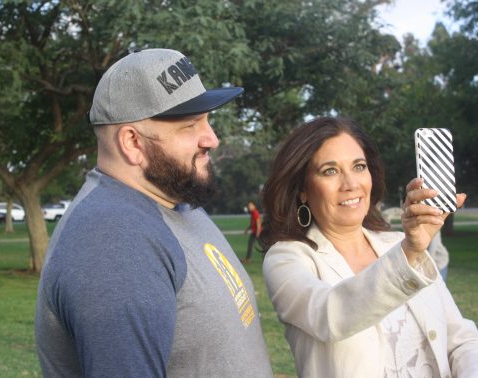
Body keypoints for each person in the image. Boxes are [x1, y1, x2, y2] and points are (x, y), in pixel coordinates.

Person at [35, 48, 273, 378]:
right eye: (191, 125)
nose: (212, 139)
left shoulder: (172, 197)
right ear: (132, 142)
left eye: (208, 120)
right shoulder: (114, 244)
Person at [260, 116, 478, 377]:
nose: (351, 184)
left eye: (359, 167)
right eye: (330, 170)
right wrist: (410, 252)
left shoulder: (397, 244)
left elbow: (462, 341)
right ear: (303, 190)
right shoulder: (286, 259)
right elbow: (330, 315)